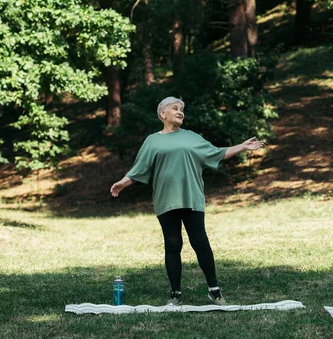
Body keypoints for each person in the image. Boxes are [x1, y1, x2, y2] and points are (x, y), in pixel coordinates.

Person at [110, 96, 264, 306]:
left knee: (200, 242)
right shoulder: (152, 141)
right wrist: (122, 183)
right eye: (175, 108)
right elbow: (140, 168)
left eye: (182, 108)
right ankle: (175, 294)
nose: (180, 111)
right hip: (166, 200)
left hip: (191, 197)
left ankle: (214, 290)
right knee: (173, 245)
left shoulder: (192, 137)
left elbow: (217, 153)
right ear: (162, 114)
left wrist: (242, 147)